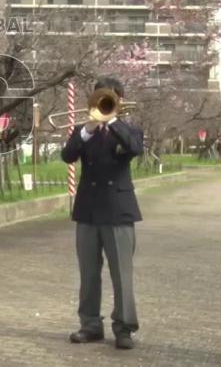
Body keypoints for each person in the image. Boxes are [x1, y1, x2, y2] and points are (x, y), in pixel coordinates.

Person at [61, 77, 144, 350]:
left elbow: (133, 148)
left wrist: (111, 121)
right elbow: (67, 156)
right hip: (88, 211)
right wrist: (88, 128)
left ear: (119, 100)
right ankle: (90, 325)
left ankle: (124, 328)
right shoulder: (84, 132)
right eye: (100, 97)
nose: (104, 103)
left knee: (121, 274)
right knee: (88, 273)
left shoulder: (129, 130)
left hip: (118, 211)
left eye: (109, 98)